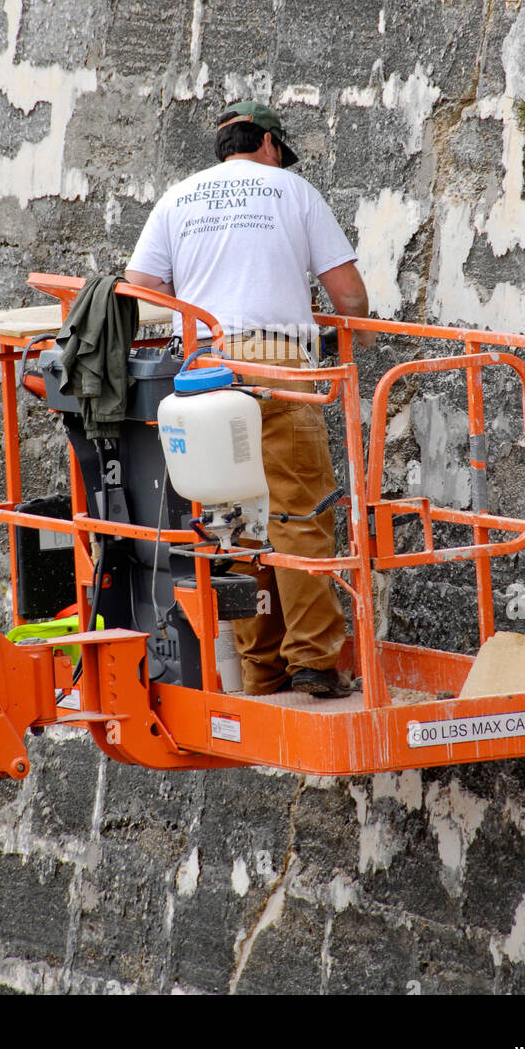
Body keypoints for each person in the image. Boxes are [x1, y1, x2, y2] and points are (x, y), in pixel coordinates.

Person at [125, 100, 375, 699]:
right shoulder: (293, 191)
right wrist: (352, 348)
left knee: (232, 521)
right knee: (300, 514)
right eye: (278, 151)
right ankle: (314, 659)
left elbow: (141, 292)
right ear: (266, 142)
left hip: (206, 371)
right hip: (279, 365)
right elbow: (350, 298)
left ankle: (261, 669)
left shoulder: (178, 198)